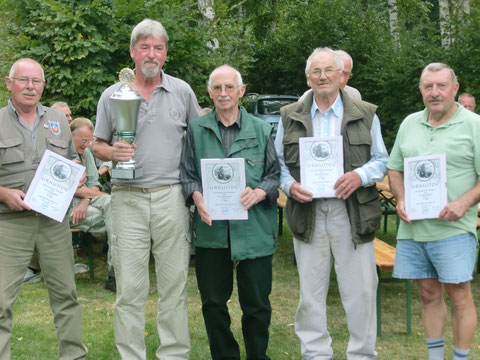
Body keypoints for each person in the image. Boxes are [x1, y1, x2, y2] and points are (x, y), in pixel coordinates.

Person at [93, 19, 199, 360]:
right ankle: (131, 356)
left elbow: (199, 142)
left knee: (174, 287)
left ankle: (174, 355)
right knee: (129, 290)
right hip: (127, 200)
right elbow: (97, 144)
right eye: (144, 47)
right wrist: (112, 153)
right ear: (132, 51)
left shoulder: (182, 91)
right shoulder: (113, 94)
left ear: (165, 53)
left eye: (158, 47)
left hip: (171, 198)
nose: (151, 54)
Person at [275, 47, 388, 359]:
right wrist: (289, 185)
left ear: (342, 76)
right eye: (316, 71)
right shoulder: (289, 116)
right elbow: (278, 165)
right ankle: (315, 354)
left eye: (329, 71)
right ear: (308, 78)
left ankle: (362, 354)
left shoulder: (365, 114)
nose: (322, 76)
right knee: (310, 294)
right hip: (308, 212)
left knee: (361, 291)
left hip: (351, 213)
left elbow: (381, 160)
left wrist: (360, 176)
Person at [180, 65, 280, 360]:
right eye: (217, 88)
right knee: (213, 303)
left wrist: (261, 191)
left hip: (255, 232)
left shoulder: (261, 129)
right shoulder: (196, 130)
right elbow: (186, 174)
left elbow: (274, 175)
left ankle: (257, 356)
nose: (223, 94)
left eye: (229, 88)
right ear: (209, 92)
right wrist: (196, 195)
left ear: (241, 91)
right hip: (212, 232)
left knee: (257, 304)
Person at [388, 63, 480, 360]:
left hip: (453, 230)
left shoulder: (474, 125)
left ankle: (461, 357)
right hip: (414, 229)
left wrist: (464, 202)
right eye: (428, 86)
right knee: (427, 295)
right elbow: (394, 167)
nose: (435, 92)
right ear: (420, 90)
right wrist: (400, 198)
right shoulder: (409, 123)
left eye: (441, 86)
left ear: (455, 88)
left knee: (459, 297)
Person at [0, 58, 87, 359]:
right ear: (9, 83)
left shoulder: (58, 119)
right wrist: (3, 193)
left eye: (36, 81)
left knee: (66, 295)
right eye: (23, 80)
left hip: (54, 222)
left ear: (43, 86)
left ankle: (74, 355)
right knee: (0, 301)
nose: (30, 86)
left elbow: (73, 159)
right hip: (10, 223)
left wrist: (77, 170)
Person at [69, 117, 115, 292]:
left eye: (90, 140)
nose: (87, 145)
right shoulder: (61, 153)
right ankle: (114, 272)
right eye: (84, 141)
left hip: (86, 201)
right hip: (68, 209)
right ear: (71, 136)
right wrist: (87, 197)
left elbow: (94, 181)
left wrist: (86, 200)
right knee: (115, 220)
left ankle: (115, 270)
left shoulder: (86, 153)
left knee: (112, 202)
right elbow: (71, 188)